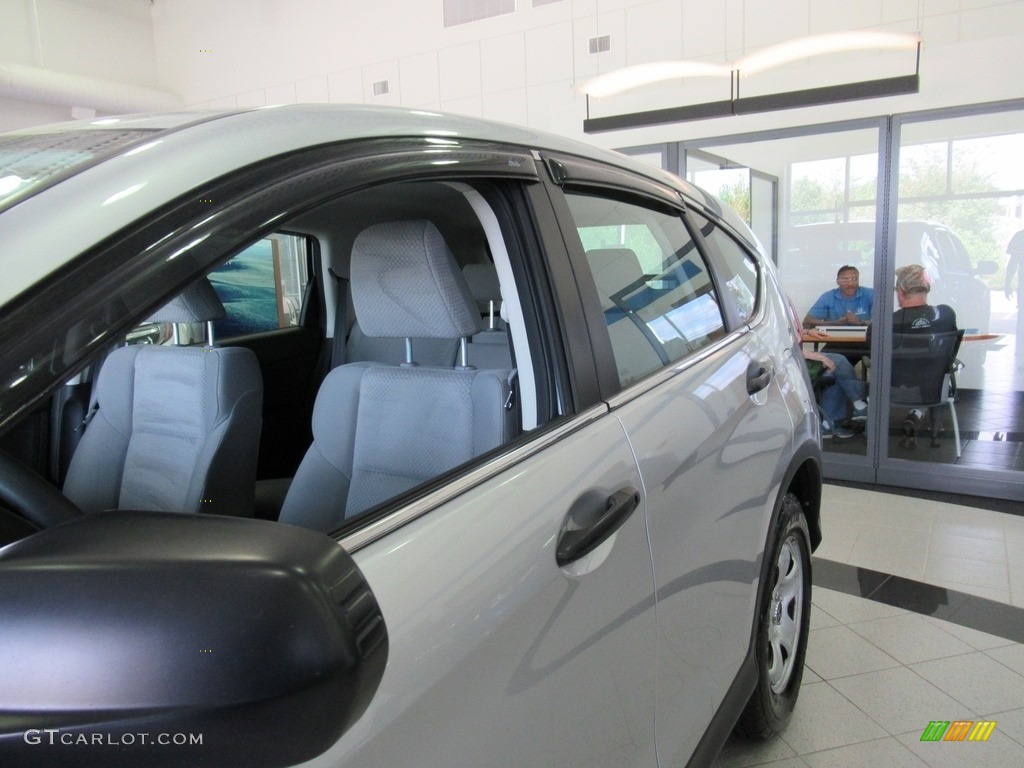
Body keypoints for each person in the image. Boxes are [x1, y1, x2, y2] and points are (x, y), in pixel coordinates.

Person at [869, 264, 958, 446]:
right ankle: (924, 422)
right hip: (932, 387)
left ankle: (913, 415)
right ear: (927, 288)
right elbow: (951, 350)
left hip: (894, 387)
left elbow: (872, 349)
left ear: (901, 290)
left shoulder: (885, 322)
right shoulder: (945, 315)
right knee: (928, 374)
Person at [803, 265, 874, 328]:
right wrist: (834, 323)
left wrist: (860, 322)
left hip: (866, 341)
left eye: (854, 279)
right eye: (845, 280)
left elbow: (880, 323)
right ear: (838, 281)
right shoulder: (828, 296)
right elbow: (807, 321)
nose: (850, 284)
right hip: (834, 340)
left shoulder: (871, 294)